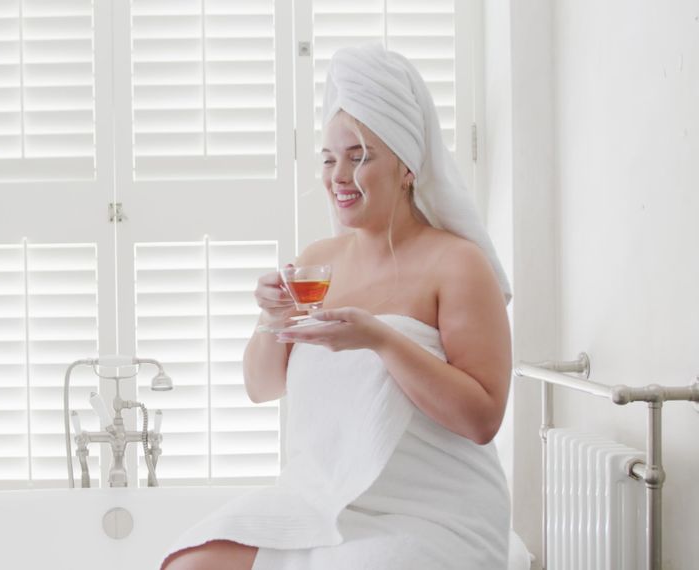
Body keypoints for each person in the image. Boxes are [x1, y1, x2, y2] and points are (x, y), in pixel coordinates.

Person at [161, 44, 513, 570]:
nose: (338, 177)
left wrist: (380, 339)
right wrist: (271, 320)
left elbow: (483, 418)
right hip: (319, 498)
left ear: (408, 168)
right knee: (187, 565)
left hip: (430, 511)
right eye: (329, 159)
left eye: (360, 157)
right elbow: (262, 387)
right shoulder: (318, 262)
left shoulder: (456, 265)